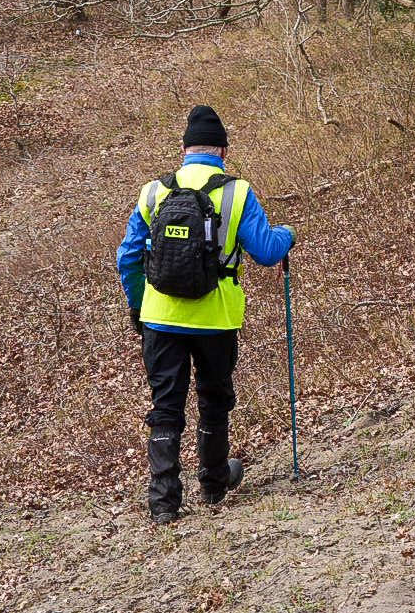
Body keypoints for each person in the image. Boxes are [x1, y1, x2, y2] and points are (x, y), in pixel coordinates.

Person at [117, 106, 296, 523]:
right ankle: (214, 484)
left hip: (160, 318)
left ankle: (163, 503)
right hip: (216, 319)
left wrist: (138, 306)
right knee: (214, 401)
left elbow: (127, 258)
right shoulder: (237, 192)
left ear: (183, 149)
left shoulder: (153, 192)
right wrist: (289, 234)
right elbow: (268, 252)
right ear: (223, 150)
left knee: (166, 406)